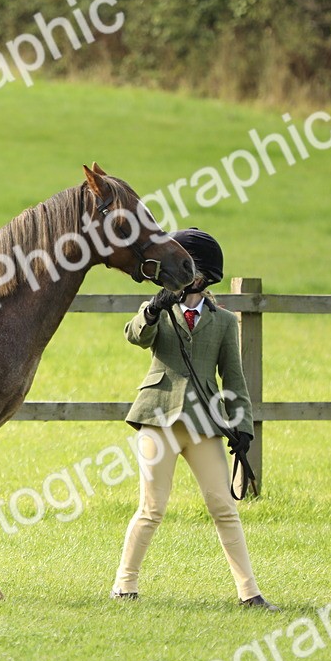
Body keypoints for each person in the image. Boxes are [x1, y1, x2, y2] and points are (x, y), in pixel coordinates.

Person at [111, 228, 278, 610]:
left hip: (203, 424)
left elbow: (233, 378)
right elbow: (135, 336)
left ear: (202, 275)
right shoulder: (159, 310)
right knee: (152, 507)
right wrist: (152, 310)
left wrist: (243, 426)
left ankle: (249, 592)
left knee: (223, 506)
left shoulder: (222, 322)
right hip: (158, 418)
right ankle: (124, 585)